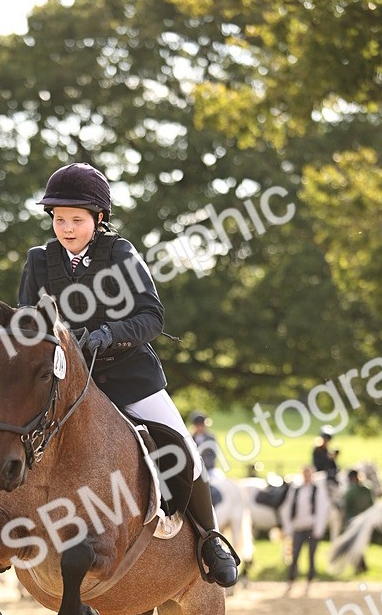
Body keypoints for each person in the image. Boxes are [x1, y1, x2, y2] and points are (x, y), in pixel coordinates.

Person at [16, 162, 238, 587]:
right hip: (67, 381)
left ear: (98, 219)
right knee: (16, 431)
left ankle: (210, 539)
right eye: (59, 219)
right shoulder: (39, 262)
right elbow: (28, 325)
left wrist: (108, 334)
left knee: (182, 447)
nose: (66, 228)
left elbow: (152, 316)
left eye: (76, 220)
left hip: (128, 374)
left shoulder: (119, 253)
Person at [282, 466, 329, 590]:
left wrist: (319, 528)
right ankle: (292, 577)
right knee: (295, 554)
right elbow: (288, 508)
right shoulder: (296, 490)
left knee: (311, 555)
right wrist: (288, 527)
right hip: (298, 527)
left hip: (311, 527)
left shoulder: (317, 490)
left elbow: (322, 510)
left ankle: (310, 578)